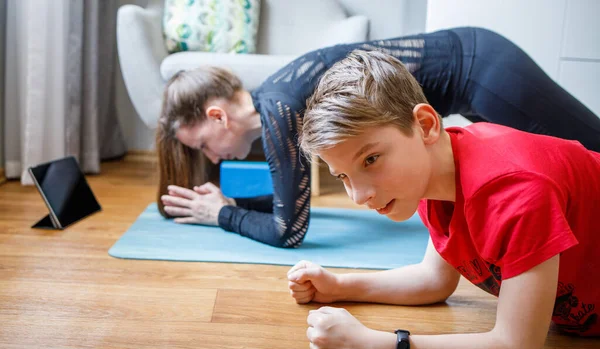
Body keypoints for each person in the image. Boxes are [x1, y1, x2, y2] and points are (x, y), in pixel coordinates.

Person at [288, 49, 600, 349]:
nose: (359, 196)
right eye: (343, 177)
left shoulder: (516, 191)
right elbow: (433, 280)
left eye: (371, 159)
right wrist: (338, 286)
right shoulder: (429, 179)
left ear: (425, 125)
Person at [157, 27, 600, 248]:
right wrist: (233, 206)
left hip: (484, 66)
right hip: (474, 70)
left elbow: (288, 229)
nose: (210, 155)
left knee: (592, 150)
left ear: (217, 116)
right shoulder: (277, 100)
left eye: (200, 145)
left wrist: (221, 215)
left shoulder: (278, 108)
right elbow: (291, 199)